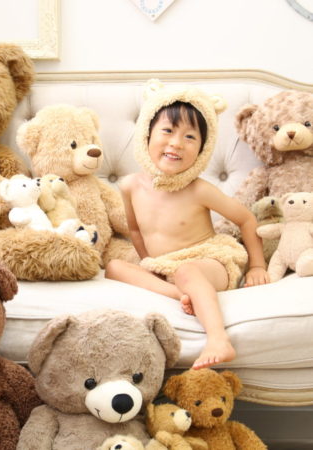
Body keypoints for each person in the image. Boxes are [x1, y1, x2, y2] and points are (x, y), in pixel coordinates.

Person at [105, 80, 269, 370]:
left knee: (188, 271)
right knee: (115, 267)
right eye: (167, 131)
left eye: (190, 137)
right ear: (146, 134)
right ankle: (181, 295)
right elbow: (135, 230)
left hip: (210, 261)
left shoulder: (199, 189)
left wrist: (257, 266)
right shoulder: (130, 186)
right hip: (166, 267)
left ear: (203, 149)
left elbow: (245, 218)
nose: (176, 143)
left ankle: (218, 339)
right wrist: (149, 262)